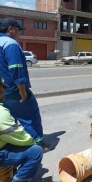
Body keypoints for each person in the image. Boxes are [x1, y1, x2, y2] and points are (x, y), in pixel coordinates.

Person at [0, 17, 49, 152]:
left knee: (9, 115)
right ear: (11, 29)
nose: (19, 34)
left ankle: (12, 143)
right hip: (12, 88)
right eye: (18, 30)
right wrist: (22, 89)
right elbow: (15, 67)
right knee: (30, 114)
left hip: (1, 89)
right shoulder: (10, 43)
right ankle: (38, 144)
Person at [0, 78, 43, 182]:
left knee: (13, 144)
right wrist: (34, 142)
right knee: (35, 152)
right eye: (2, 88)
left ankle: (12, 169)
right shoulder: (1, 113)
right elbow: (21, 138)